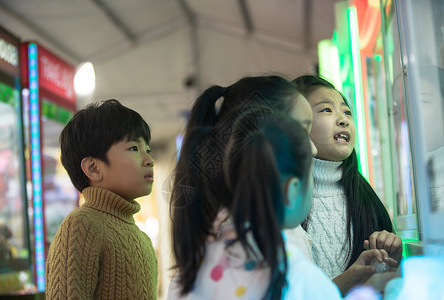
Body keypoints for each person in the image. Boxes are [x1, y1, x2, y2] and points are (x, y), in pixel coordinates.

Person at [168, 76, 396, 299]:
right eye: (301, 132)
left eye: (347, 112)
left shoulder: (195, 273)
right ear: (291, 190)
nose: (312, 149)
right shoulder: (295, 274)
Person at [290, 74, 403, 295]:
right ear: (297, 123)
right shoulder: (286, 204)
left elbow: (381, 285)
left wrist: (388, 258)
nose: (343, 119)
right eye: (326, 110)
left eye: (347, 112)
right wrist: (348, 279)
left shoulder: (366, 199)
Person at [45, 99, 158, 299]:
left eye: (147, 149)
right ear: (93, 168)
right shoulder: (81, 226)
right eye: (134, 148)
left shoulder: (144, 240)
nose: (149, 160)